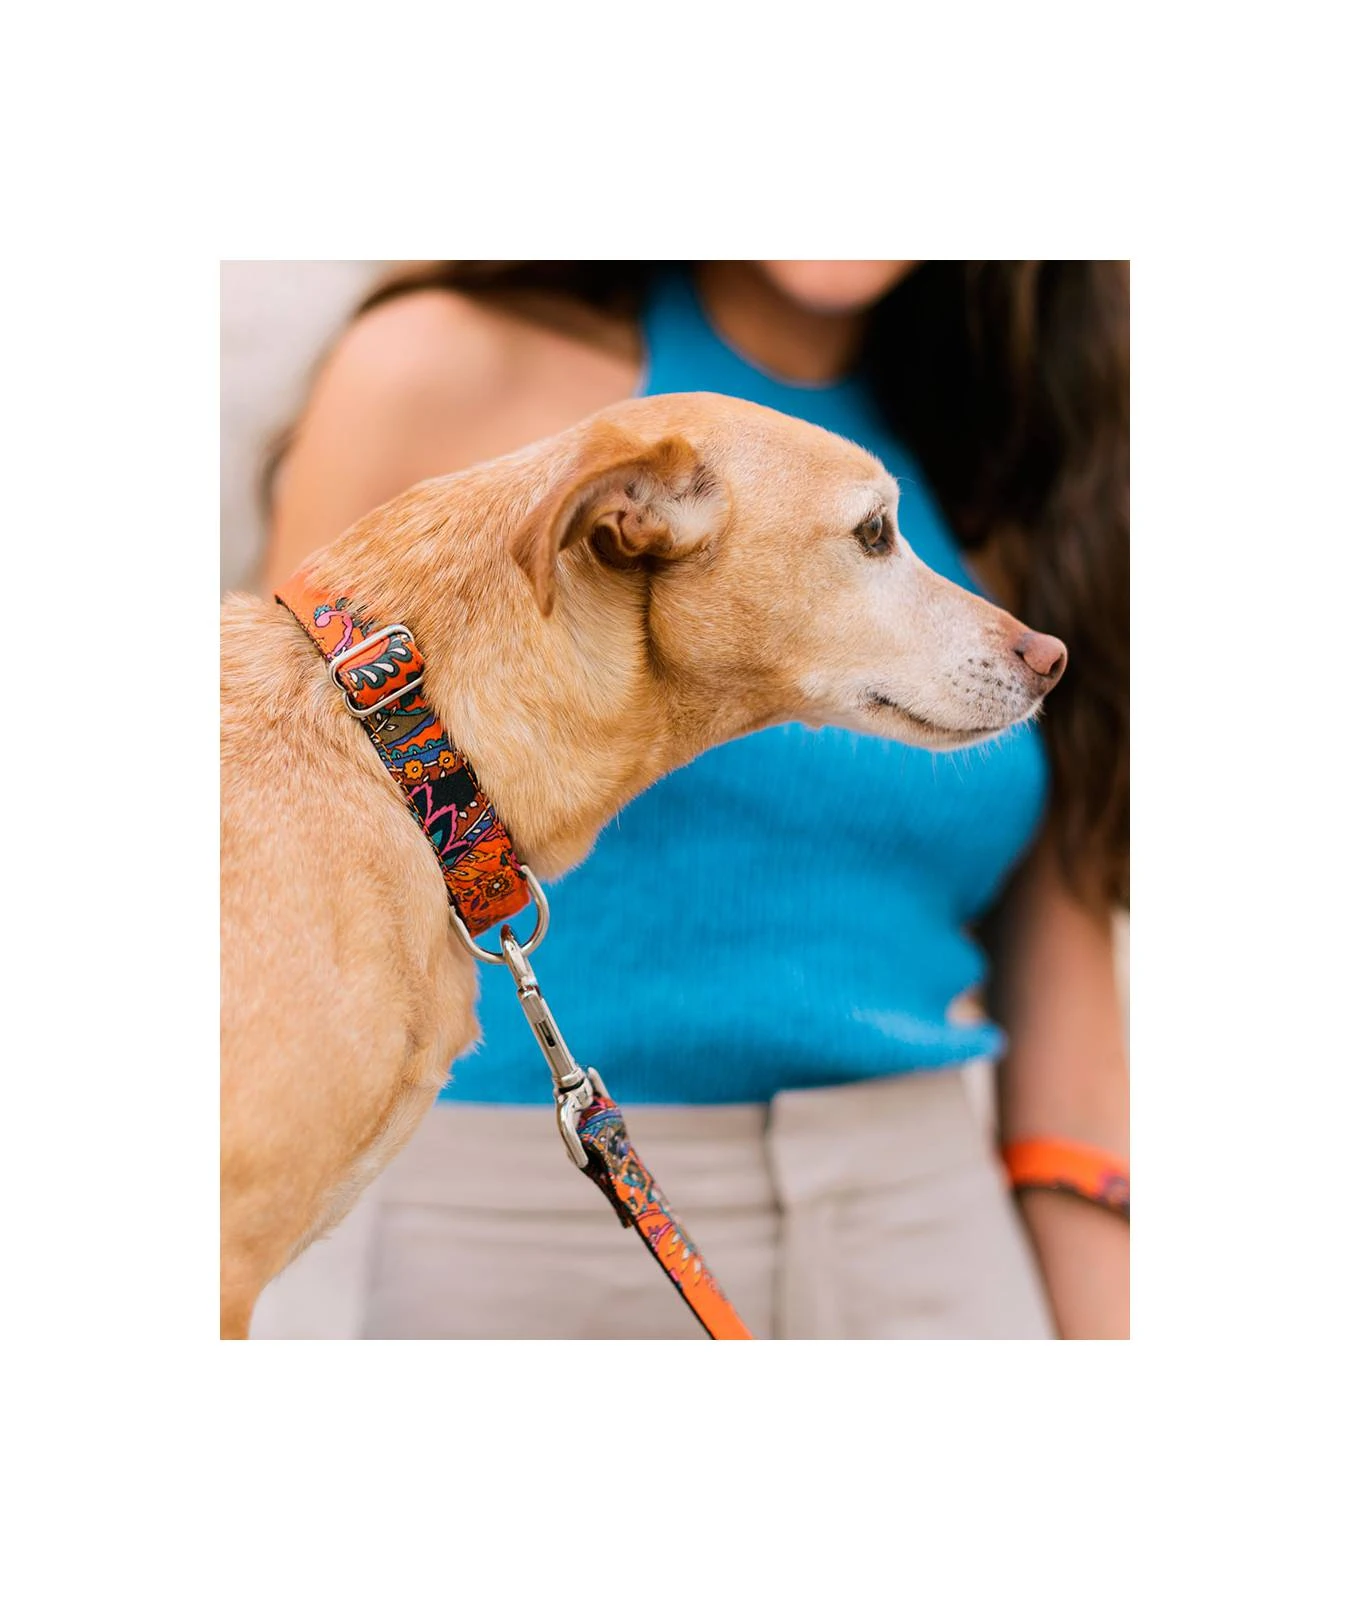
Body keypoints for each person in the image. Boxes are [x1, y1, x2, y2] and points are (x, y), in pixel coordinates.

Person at [253, 260, 1129, 1339]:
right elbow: (270, 871)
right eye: (869, 540)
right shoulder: (432, 371)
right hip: (525, 1234)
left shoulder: (1020, 448)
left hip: (932, 1229)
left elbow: (1071, 1027)